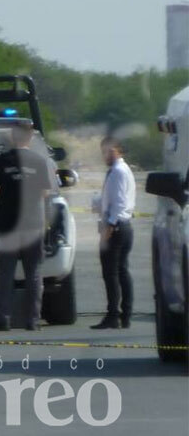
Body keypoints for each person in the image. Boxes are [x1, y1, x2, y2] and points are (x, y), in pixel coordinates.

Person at [0, 122, 57, 331]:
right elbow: (45, 193)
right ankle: (33, 320)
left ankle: (2, 318)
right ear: (30, 138)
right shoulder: (39, 161)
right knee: (33, 273)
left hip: (9, 224)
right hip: (33, 224)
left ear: (12, 138)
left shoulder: (1, 160)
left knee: (6, 273)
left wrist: (7, 190)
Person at [91, 137, 135, 329]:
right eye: (103, 152)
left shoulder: (117, 171)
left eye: (109, 151)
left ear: (118, 150)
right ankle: (125, 314)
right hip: (123, 225)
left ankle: (113, 315)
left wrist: (109, 226)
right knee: (121, 271)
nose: (105, 156)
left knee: (111, 273)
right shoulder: (121, 170)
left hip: (116, 227)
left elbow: (119, 203)